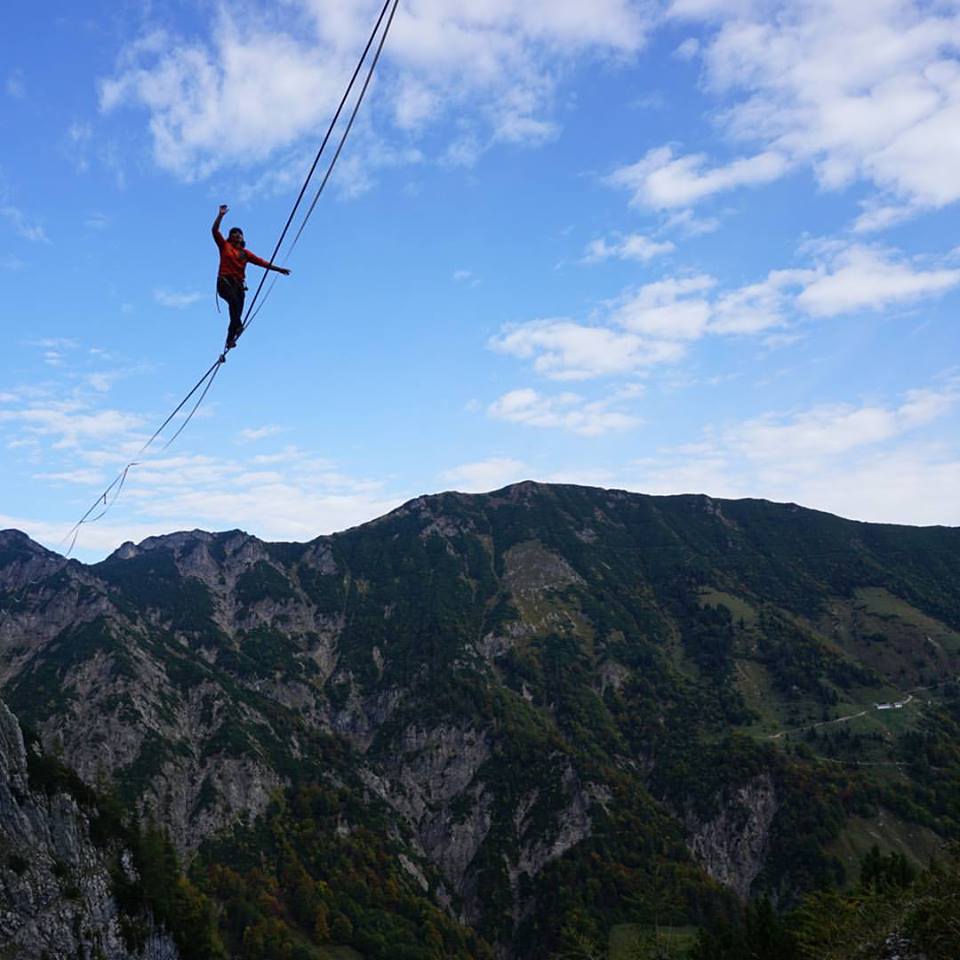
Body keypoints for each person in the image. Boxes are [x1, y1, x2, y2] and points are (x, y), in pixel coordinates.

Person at [212, 204, 291, 350]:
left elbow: (262, 262)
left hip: (238, 286)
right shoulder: (225, 246)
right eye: (234, 233)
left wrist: (279, 269)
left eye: (239, 233)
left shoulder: (245, 253)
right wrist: (221, 215)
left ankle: (230, 340)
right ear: (230, 237)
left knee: (235, 313)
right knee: (234, 305)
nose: (236, 235)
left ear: (242, 237)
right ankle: (239, 326)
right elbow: (215, 231)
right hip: (224, 282)